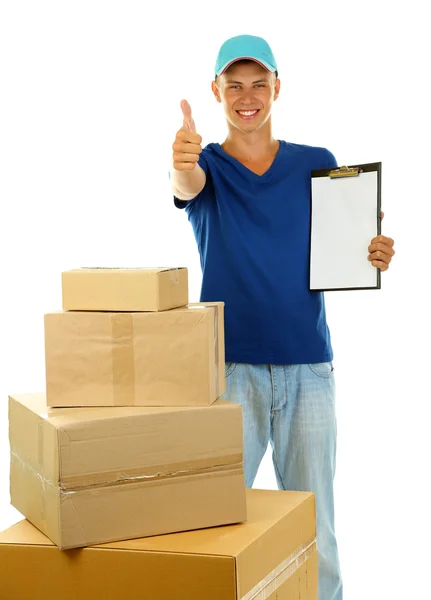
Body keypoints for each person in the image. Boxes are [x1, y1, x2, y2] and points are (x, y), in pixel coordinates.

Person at [169, 34, 395, 600]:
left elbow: (346, 246)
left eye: (259, 83)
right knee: (215, 529)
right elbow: (185, 186)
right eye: (235, 84)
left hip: (308, 370)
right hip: (229, 374)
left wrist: (373, 250)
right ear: (215, 90)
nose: (248, 96)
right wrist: (182, 162)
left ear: (277, 88)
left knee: (314, 531)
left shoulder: (316, 164)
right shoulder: (208, 166)